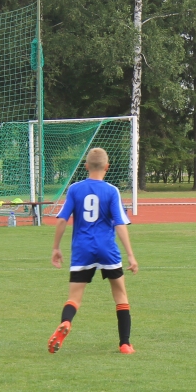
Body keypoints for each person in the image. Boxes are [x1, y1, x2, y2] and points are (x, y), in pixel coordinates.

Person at [49, 148, 139, 354]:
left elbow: (62, 220)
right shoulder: (111, 191)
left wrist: (56, 248)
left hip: (82, 250)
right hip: (107, 249)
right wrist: (131, 255)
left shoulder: (75, 189)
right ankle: (125, 344)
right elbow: (119, 224)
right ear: (107, 167)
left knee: (74, 297)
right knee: (121, 295)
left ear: (86, 166)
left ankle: (66, 322)